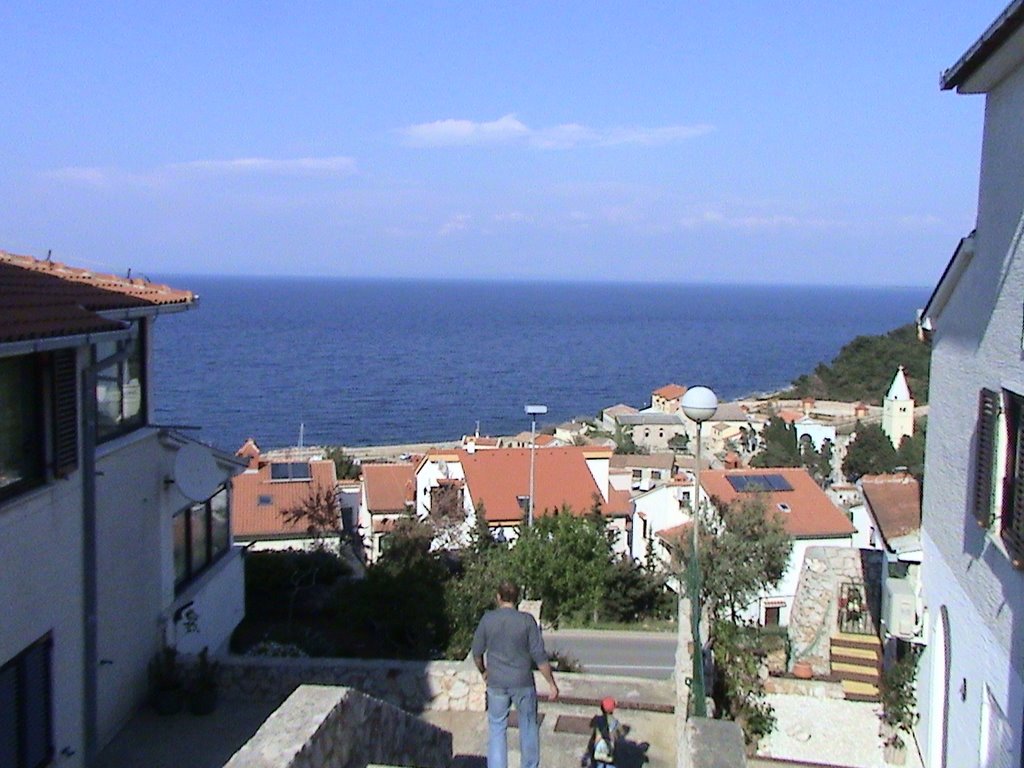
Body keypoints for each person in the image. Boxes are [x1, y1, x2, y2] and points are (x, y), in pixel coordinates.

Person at [472, 581, 559, 768]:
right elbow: (539, 656)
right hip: (523, 682)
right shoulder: (526, 621)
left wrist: (483, 672)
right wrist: (551, 683)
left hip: (496, 682)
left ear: (498, 597)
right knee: (528, 727)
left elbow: (477, 653)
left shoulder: (488, 619)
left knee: (497, 728)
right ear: (517, 598)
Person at [587, 697, 622, 768]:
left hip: (598, 745)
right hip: (610, 749)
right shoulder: (615, 722)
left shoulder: (597, 719)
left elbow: (591, 725)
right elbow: (620, 733)